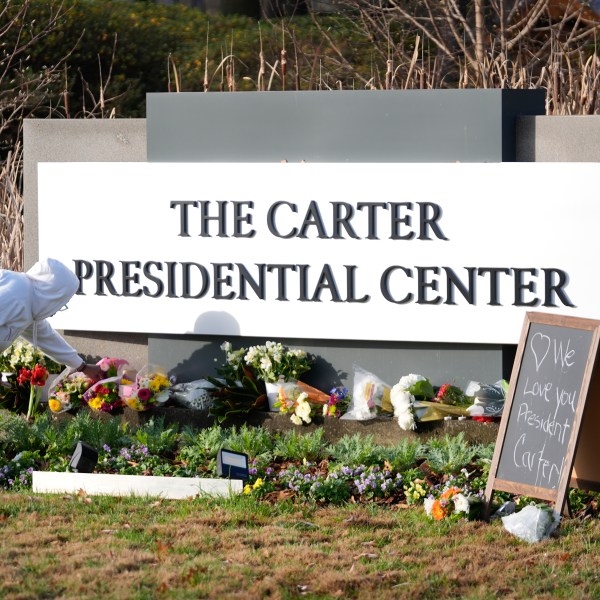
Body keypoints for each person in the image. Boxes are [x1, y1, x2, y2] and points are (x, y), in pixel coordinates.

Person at [0, 258, 102, 381]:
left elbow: (45, 337)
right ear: (53, 295)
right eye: (60, 302)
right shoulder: (15, 293)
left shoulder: (30, 302)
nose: (56, 310)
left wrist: (82, 367)